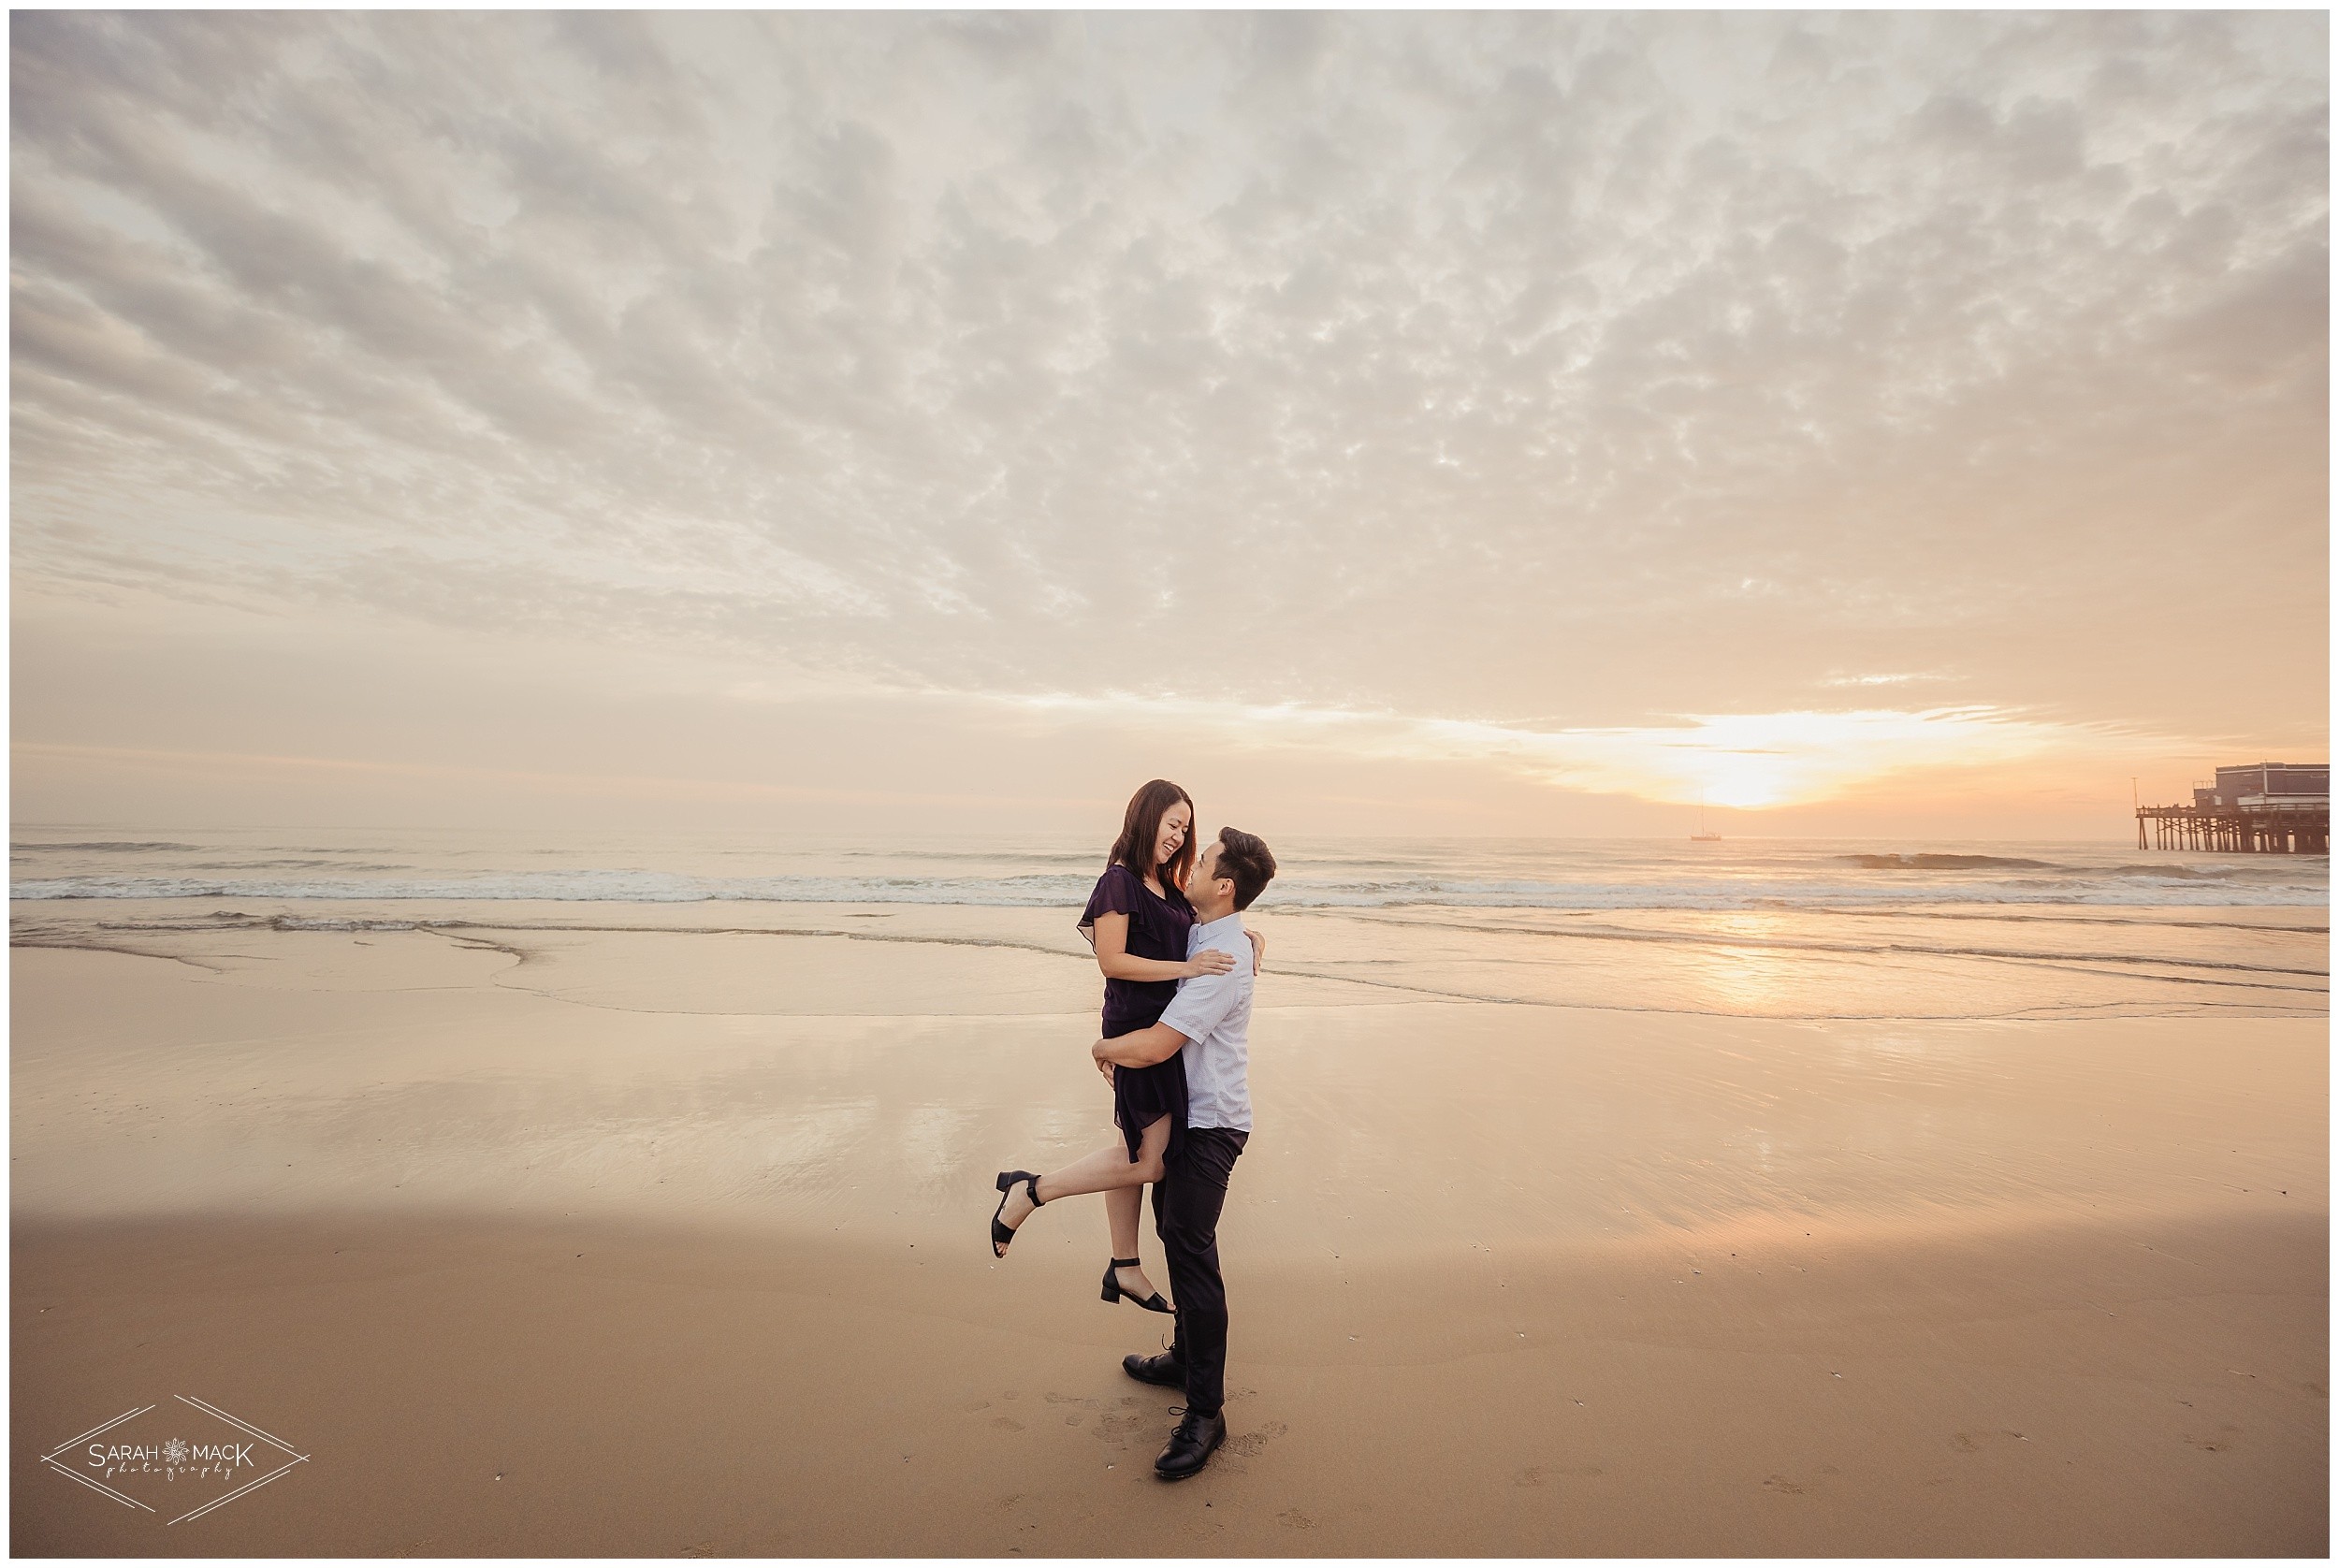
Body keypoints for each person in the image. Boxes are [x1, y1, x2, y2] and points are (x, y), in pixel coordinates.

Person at [986, 781, 1260, 1316]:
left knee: (1131, 1146)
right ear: (1146, 817)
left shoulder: (1169, 885)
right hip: (1140, 1027)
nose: (1179, 836)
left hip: (1167, 1028)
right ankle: (1031, 1190)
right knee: (1148, 1161)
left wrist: (1247, 936)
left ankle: (1125, 1265)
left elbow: (1201, 928)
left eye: (1186, 828)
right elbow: (1111, 960)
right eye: (1172, 824)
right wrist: (1186, 970)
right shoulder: (1119, 882)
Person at [1094, 825, 1276, 1481]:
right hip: (1186, 1115)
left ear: (1223, 885)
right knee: (1175, 1236)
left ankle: (1207, 1412)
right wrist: (1259, 934)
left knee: (1191, 1251)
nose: (1189, 863)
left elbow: (1157, 1047)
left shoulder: (1221, 960)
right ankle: (1182, 1358)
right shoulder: (1210, 934)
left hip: (1213, 1124)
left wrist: (1103, 1048)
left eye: (1202, 860)